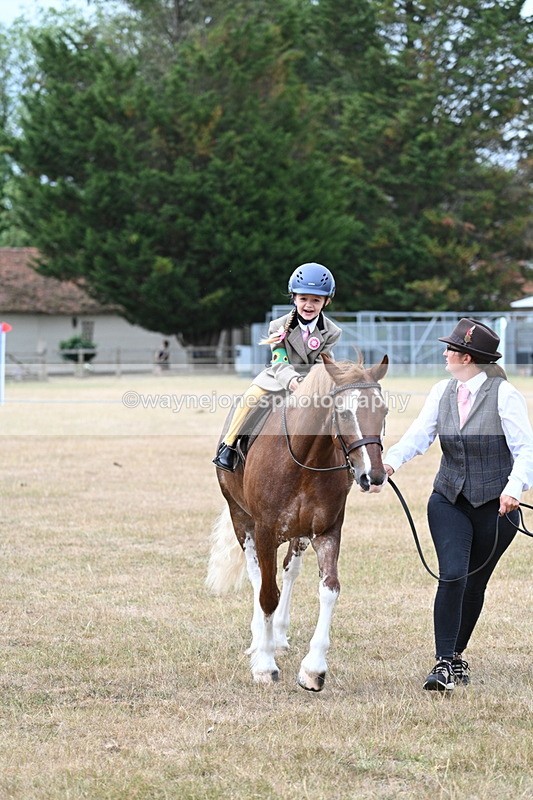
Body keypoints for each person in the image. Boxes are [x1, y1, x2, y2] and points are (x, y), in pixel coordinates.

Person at [383, 318, 533, 692]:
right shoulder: (441, 391)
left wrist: (514, 488)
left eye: (450, 349)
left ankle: (458, 653)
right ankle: (444, 662)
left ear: (466, 358)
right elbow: (420, 433)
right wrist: (390, 461)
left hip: (498, 507)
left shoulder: (504, 395)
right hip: (448, 499)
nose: (445, 353)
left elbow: (525, 449)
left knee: (474, 583)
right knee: (452, 574)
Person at [213, 262, 341, 472]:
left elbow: (321, 362)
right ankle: (228, 446)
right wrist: (292, 381)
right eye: (303, 299)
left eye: (316, 300)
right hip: (278, 376)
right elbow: (279, 361)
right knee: (249, 399)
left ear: (326, 302)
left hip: (313, 378)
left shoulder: (333, 332)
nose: (309, 305)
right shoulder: (278, 326)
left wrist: (308, 383)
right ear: (294, 298)